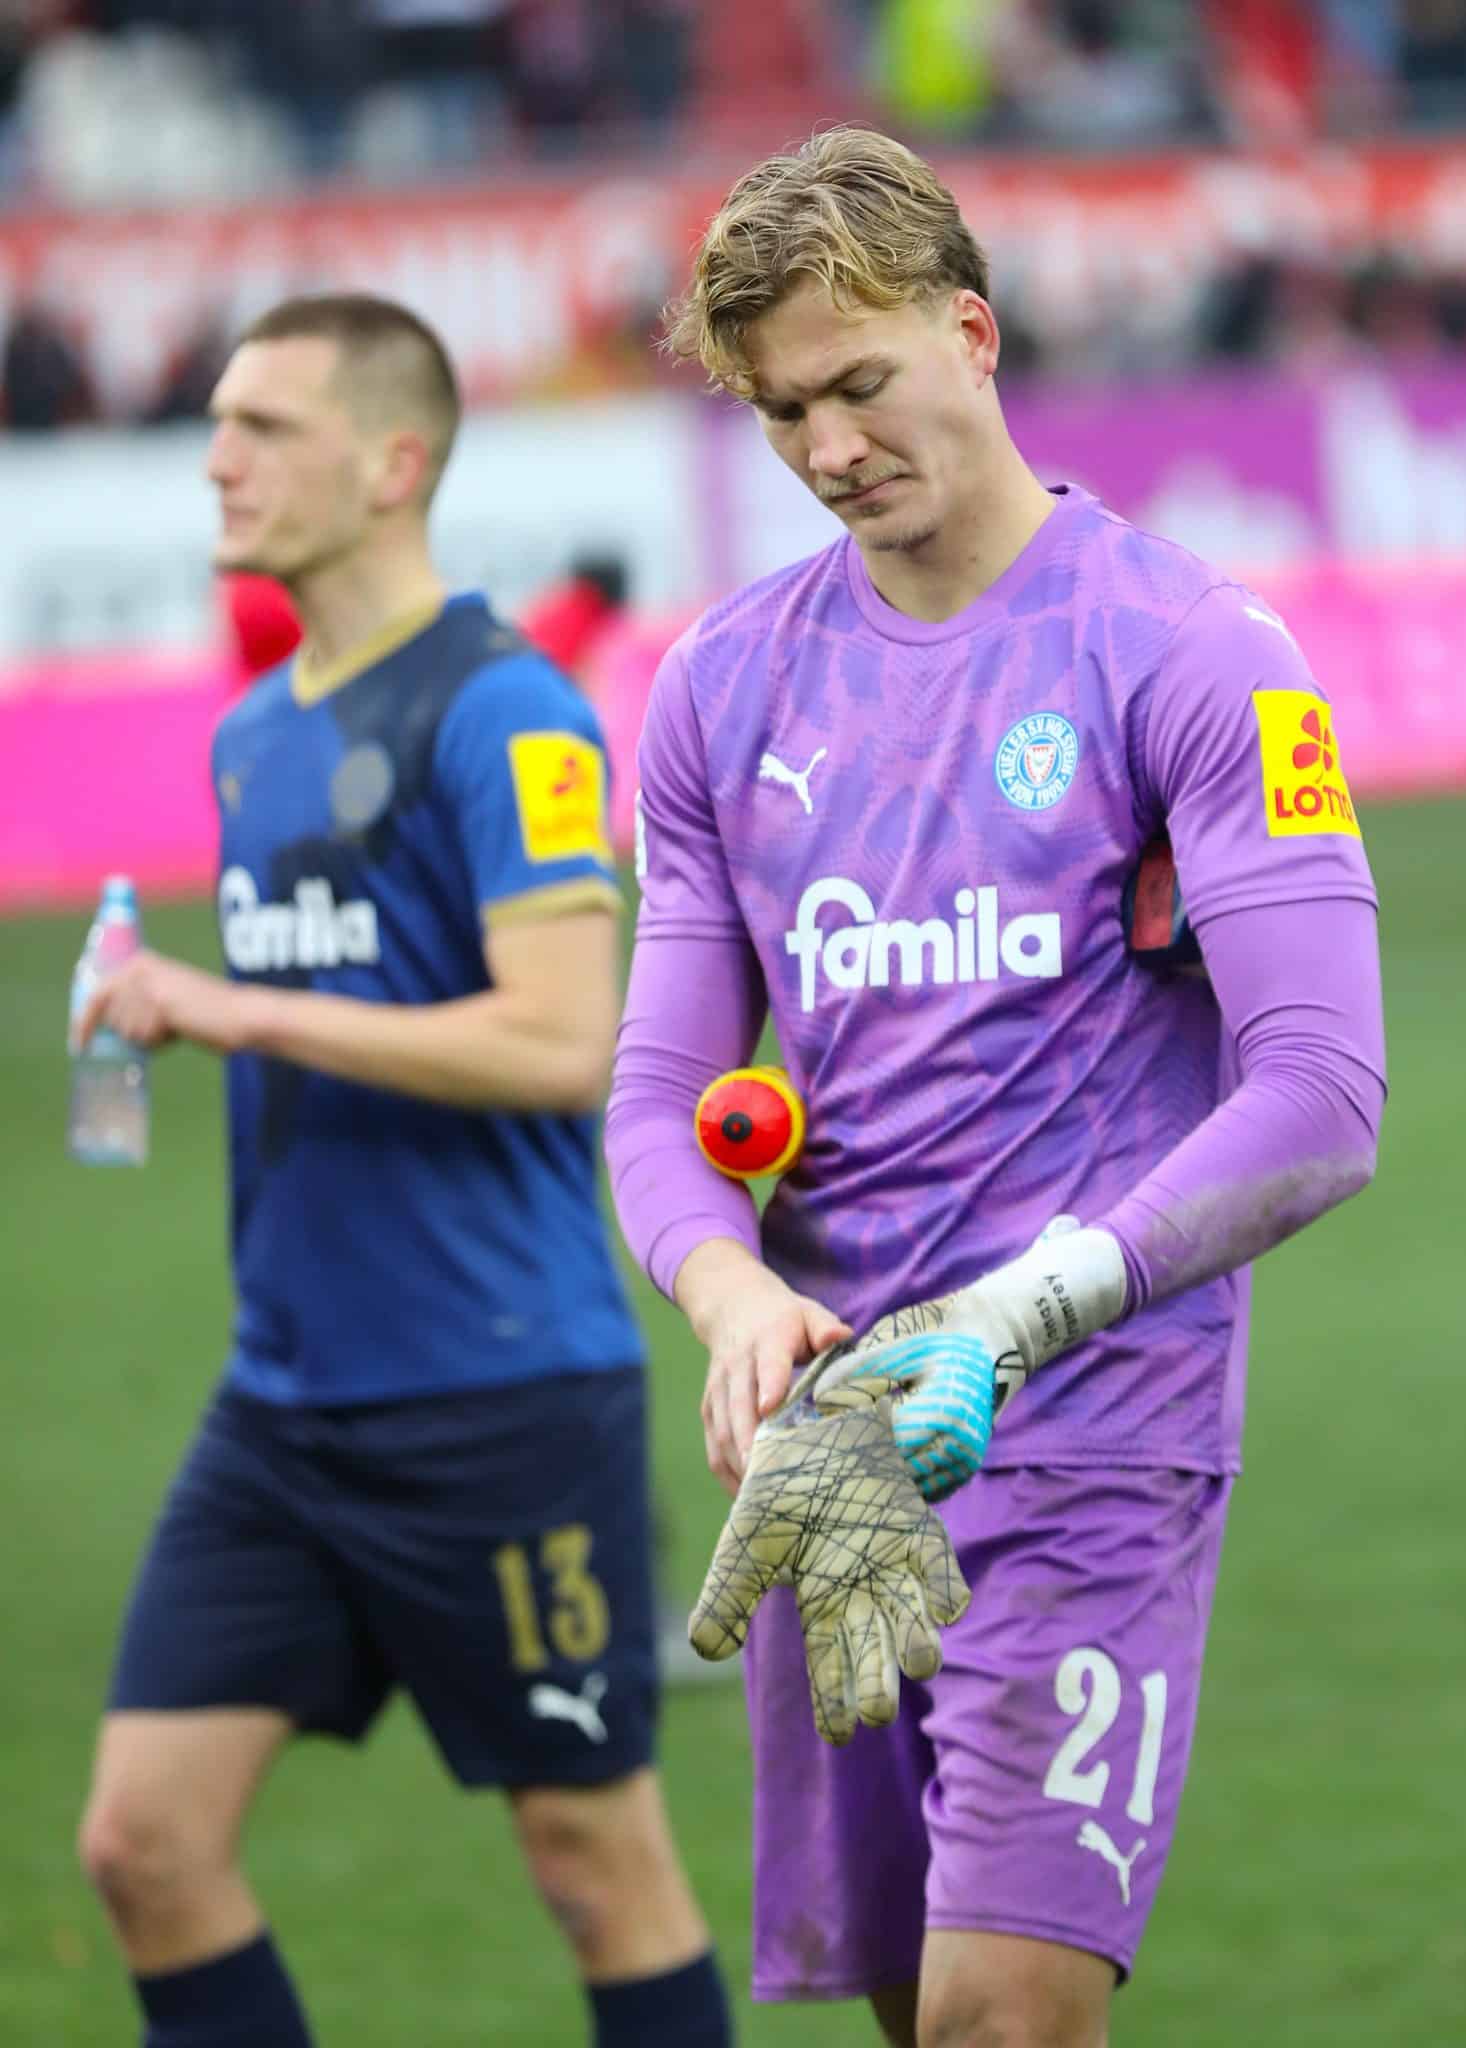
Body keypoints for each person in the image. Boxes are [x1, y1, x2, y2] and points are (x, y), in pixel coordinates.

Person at [603, 128, 1384, 2048]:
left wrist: (1025, 1315)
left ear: (973, 332)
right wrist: (728, 1297)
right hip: (841, 1449)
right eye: (787, 413)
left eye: (861, 384)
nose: (831, 447)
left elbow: (1326, 1090)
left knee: (998, 2022)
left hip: (1091, 1427)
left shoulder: (1197, 654)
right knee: (905, 2015)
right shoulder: (720, 691)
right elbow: (656, 1098)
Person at [74, 292, 732, 2048]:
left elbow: (561, 1042)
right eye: (217, 421)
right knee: (144, 1845)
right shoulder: (255, 728)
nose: (218, 457)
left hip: (495, 1398)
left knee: (595, 1865)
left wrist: (240, 1012)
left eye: (264, 427)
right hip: (285, 1409)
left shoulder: (506, 711)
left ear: (395, 462)